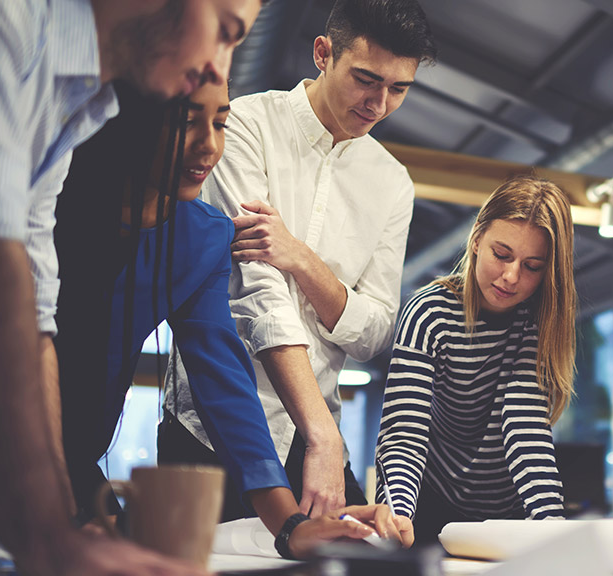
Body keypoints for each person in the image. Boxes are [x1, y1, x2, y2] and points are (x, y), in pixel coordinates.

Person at [54, 80, 412, 558]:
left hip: (72, 455)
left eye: (220, 123)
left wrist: (289, 527)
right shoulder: (45, 209)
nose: (210, 147)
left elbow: (222, 381)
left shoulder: (200, 237)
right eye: (186, 123)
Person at [0, 1, 262, 574]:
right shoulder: (5, 18)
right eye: (224, 34)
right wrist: (51, 536)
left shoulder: (78, 106)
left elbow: (35, 314)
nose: (216, 66)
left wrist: (65, 519)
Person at [161, 0, 437, 523]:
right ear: (323, 54)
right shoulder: (242, 125)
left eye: (399, 89)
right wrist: (324, 435)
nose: (379, 104)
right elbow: (254, 290)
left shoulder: (392, 182)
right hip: (210, 430)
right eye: (366, 79)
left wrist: (302, 259)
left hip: (312, 441)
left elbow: (375, 332)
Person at [376, 175, 576, 545]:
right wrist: (398, 512)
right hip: (430, 505)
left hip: (509, 513)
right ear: (476, 240)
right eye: (501, 254)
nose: (511, 277)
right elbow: (405, 433)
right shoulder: (429, 313)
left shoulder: (535, 322)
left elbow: (526, 430)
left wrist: (552, 527)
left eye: (532, 266)